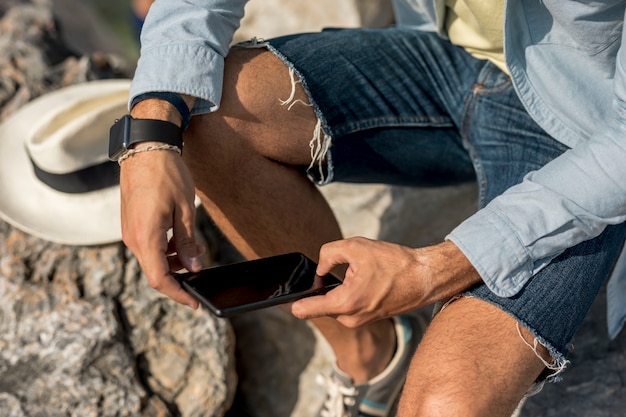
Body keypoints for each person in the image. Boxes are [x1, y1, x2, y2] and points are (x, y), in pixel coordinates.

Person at [114, 0, 626, 416]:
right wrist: (152, 135)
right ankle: (375, 359)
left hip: (583, 132)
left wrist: (436, 268)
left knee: (447, 404)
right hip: (443, 54)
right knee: (204, 122)